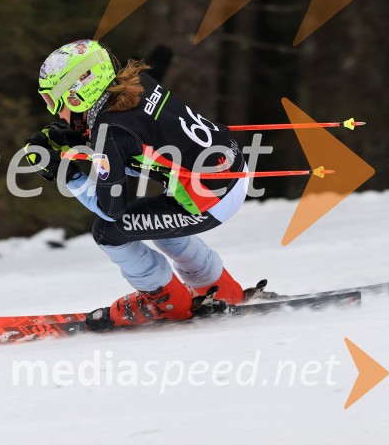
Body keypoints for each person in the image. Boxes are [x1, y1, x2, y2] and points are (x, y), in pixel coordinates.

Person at [25, 39, 249, 328]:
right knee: (159, 226)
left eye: (54, 100)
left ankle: (165, 299)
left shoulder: (111, 133)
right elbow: (138, 144)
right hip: (230, 172)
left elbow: (110, 209)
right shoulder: (136, 84)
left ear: (77, 95)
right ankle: (219, 289)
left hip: (209, 200)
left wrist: (66, 174)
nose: (56, 113)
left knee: (108, 232)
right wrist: (80, 141)